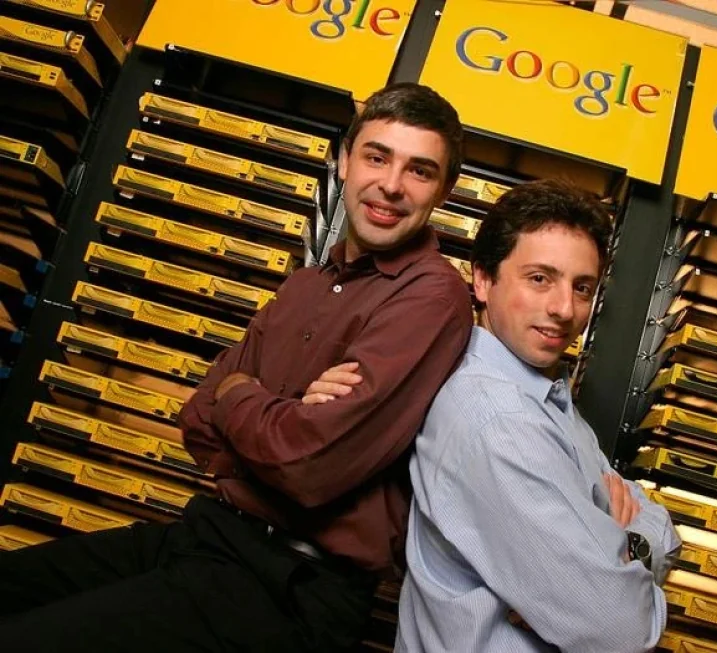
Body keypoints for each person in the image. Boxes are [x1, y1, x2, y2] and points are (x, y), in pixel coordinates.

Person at [0, 83, 473, 652]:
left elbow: (308, 466)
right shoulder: (306, 284)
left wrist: (242, 395)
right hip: (208, 536)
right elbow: (197, 419)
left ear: (444, 191)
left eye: (419, 171)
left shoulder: (433, 297)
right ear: (345, 161)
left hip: (290, 586)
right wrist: (278, 421)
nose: (391, 185)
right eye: (377, 157)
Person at [395, 180, 681, 652]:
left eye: (582, 287)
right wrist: (620, 547)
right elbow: (620, 630)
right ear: (482, 280)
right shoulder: (498, 421)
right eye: (539, 279)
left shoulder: (546, 399)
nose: (564, 309)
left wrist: (632, 546)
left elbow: (653, 517)